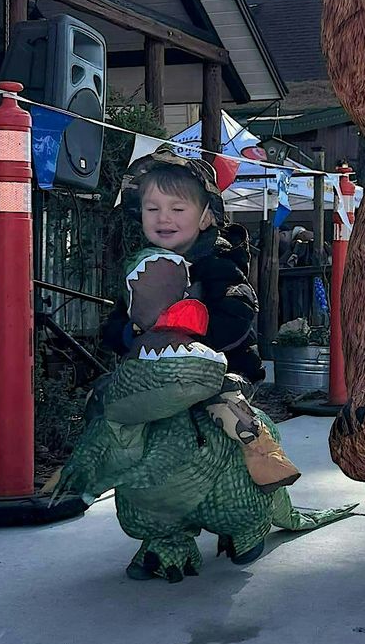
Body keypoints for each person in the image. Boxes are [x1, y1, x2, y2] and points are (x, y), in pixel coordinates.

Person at [103, 149, 301, 490]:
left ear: (206, 217)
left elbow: (237, 315)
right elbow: (117, 320)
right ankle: (92, 467)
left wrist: (192, 343)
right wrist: (128, 333)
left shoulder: (219, 265)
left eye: (177, 209)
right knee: (108, 397)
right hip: (160, 371)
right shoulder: (145, 269)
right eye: (153, 209)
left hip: (221, 367)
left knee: (223, 398)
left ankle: (262, 452)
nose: (164, 218)